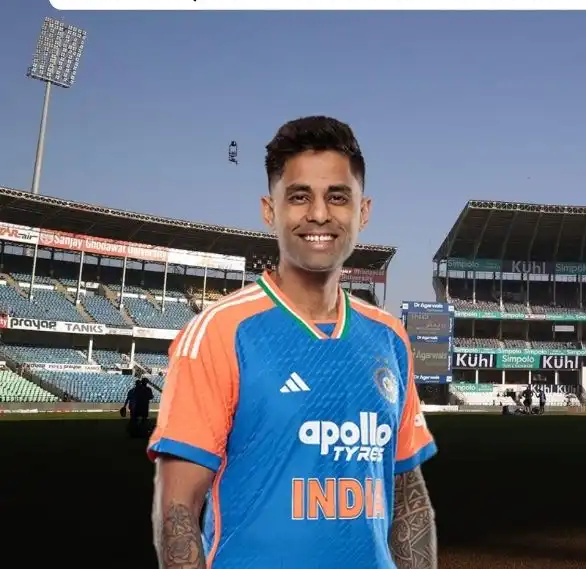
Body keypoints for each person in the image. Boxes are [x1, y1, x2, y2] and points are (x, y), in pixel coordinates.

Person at [147, 116, 438, 569]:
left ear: (363, 212)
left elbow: (408, 498)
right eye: (299, 196)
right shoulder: (220, 332)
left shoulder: (389, 337)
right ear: (270, 210)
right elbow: (177, 510)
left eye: (337, 197)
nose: (319, 214)